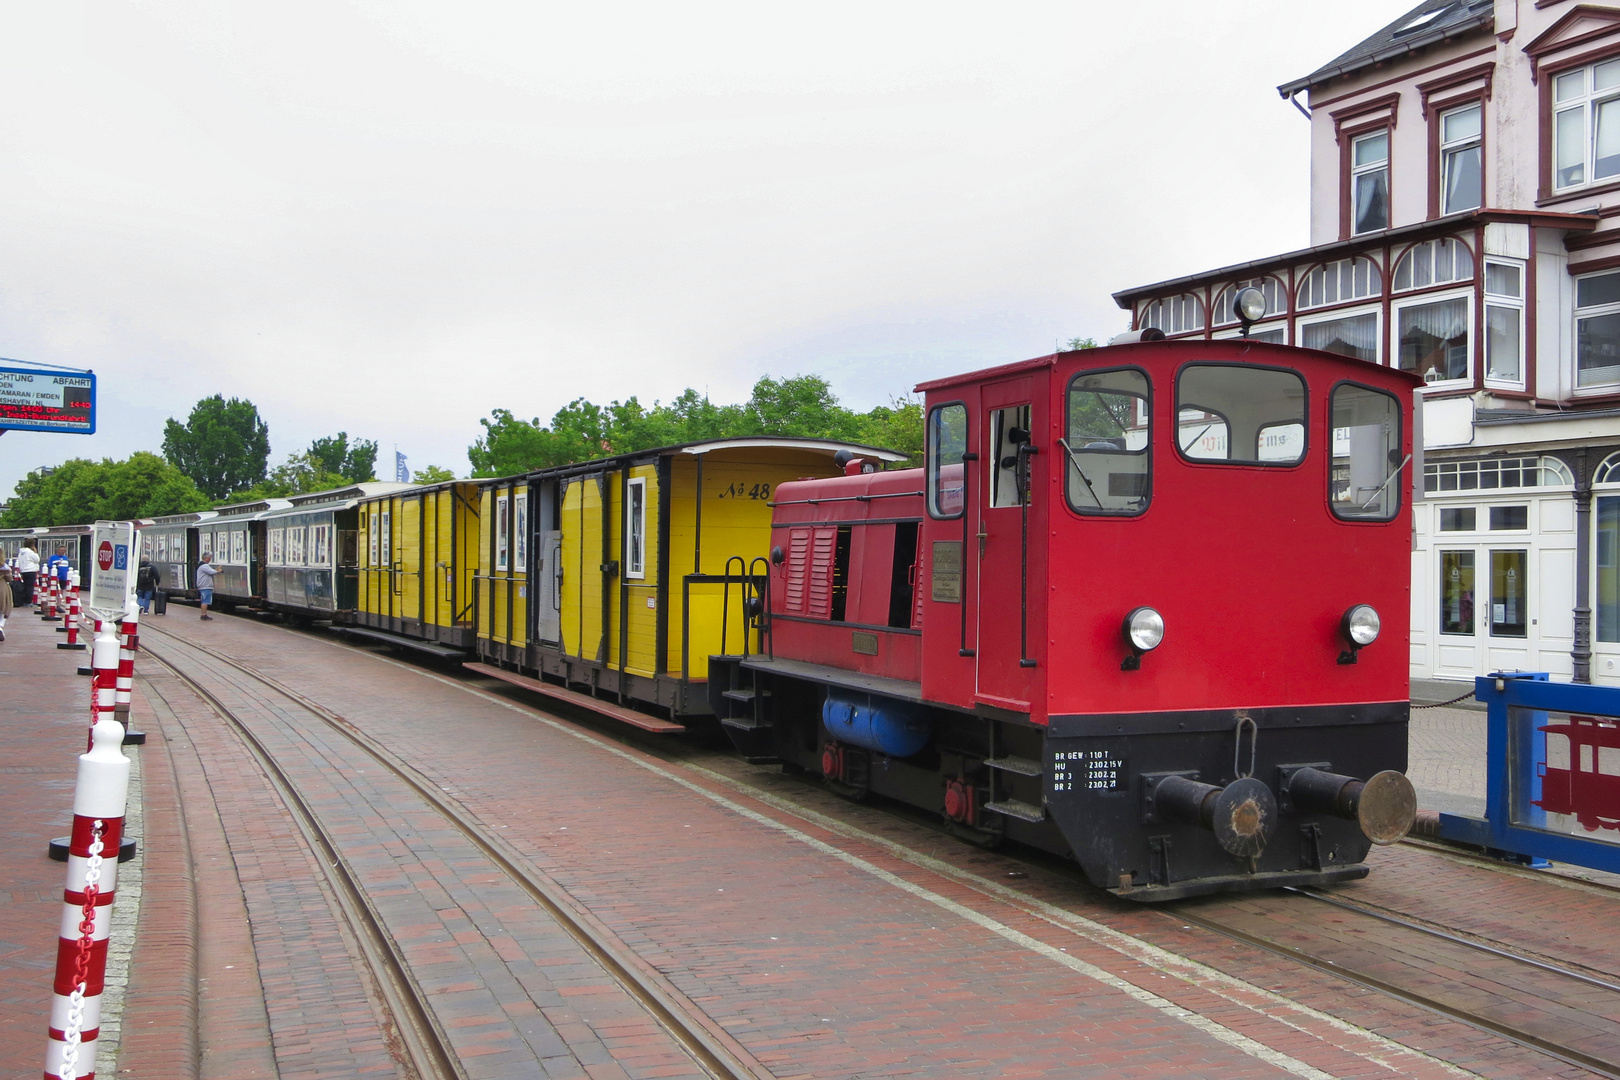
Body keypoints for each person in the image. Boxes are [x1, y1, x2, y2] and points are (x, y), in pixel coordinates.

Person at [195, 552, 219, 620]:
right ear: (206, 558)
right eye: (209, 558)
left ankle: (204, 614)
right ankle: (204, 614)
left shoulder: (201, 565)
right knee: (205, 600)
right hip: (205, 585)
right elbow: (211, 572)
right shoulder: (204, 566)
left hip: (203, 585)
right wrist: (218, 571)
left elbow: (211, 571)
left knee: (204, 600)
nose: (210, 560)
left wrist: (215, 570)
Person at [15, 540, 40, 604]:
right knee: (30, 587)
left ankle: (24, 600)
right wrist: (35, 552)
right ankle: (28, 602)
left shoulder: (21, 552)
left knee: (25, 586)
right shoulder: (30, 552)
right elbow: (37, 559)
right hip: (31, 570)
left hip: (23, 571)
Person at [0, 565, 12, 641]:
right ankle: (0, 627)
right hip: (2, 589)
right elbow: (9, 579)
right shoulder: (4, 567)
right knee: (4, 608)